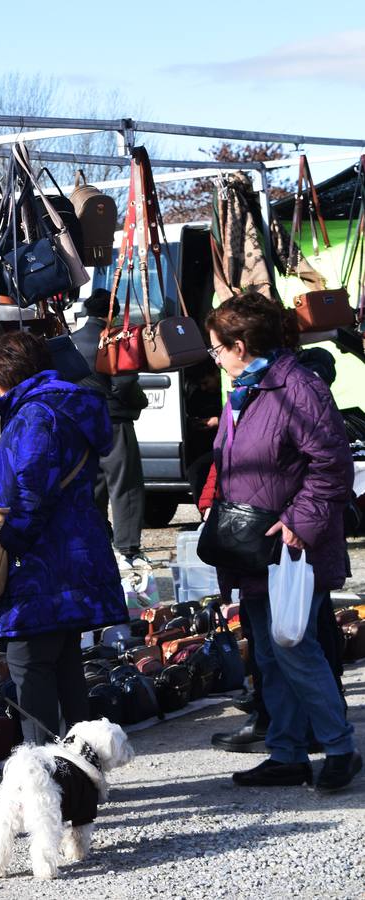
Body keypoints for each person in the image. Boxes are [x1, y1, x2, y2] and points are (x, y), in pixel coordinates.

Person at [202, 293, 359, 792]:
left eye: (217, 350)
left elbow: (333, 465)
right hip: (254, 546)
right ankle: (287, 753)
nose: (217, 359)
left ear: (241, 345)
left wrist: (299, 520)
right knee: (270, 653)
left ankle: (339, 747)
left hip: (293, 548)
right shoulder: (247, 391)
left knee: (296, 649)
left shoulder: (297, 388)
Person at [0, 331, 128, 745]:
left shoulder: (35, 414)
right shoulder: (67, 405)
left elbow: (31, 488)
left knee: (30, 664)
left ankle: (44, 773)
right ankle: (81, 770)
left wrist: (9, 541)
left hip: (42, 562)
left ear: (2, 377)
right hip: (77, 551)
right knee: (65, 665)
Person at [70, 289, 151, 574]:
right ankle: (128, 547)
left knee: (93, 486)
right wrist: (139, 403)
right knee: (125, 485)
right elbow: (125, 385)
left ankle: (97, 540)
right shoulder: (114, 339)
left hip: (81, 426)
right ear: (111, 313)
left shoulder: (71, 343)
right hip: (114, 422)